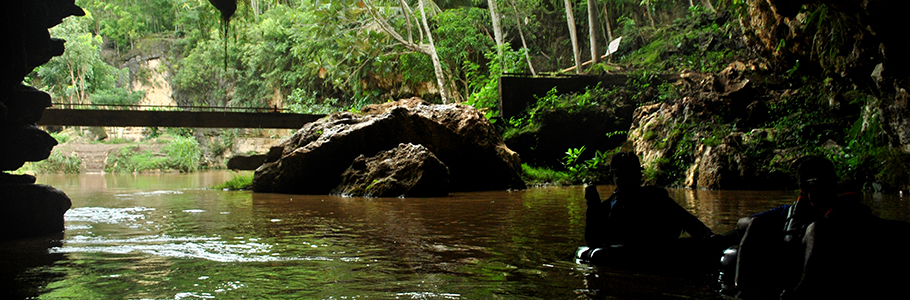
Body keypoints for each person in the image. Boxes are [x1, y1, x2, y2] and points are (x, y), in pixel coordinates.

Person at [583, 152, 714, 252]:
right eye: (622, 175)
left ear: (639, 176)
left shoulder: (656, 198)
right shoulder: (607, 207)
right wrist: (593, 206)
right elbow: (594, 243)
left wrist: (711, 240)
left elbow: (693, 226)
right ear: (613, 178)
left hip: (659, 251)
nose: (628, 179)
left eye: (631, 174)